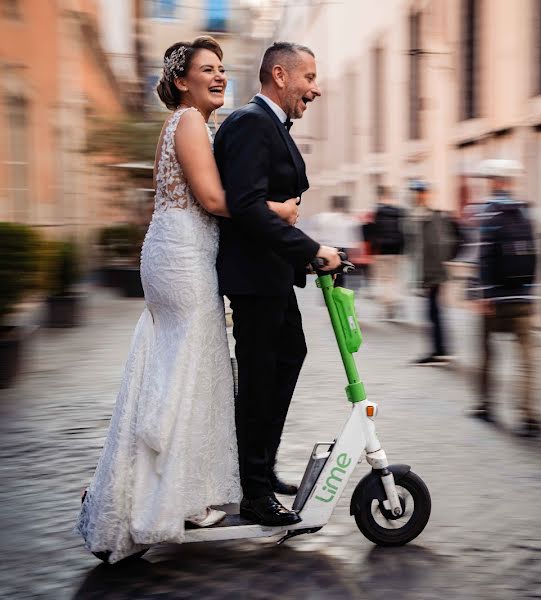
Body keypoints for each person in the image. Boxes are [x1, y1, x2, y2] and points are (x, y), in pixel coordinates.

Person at [75, 37, 303, 563]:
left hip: (177, 250)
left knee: (179, 368)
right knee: (190, 368)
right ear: (182, 81)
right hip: (181, 256)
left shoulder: (195, 124)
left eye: (222, 68)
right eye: (207, 69)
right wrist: (278, 212)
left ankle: (172, 489)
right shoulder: (189, 122)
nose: (220, 76)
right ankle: (159, 496)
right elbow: (215, 199)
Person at [214, 42, 341, 527]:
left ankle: (260, 471)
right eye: (309, 77)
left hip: (271, 275)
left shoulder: (267, 124)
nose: (316, 88)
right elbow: (245, 206)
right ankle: (254, 490)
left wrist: (306, 255)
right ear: (280, 75)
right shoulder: (251, 123)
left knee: (288, 358)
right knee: (261, 378)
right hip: (253, 278)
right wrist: (310, 250)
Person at [470, 159, 541, 437]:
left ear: (494, 182)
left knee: (488, 353)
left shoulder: (488, 214)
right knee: (526, 360)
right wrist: (532, 291)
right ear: (511, 183)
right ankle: (528, 415)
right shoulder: (526, 213)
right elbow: (536, 254)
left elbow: (484, 256)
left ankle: (486, 405)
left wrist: (483, 294)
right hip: (522, 297)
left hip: (496, 300)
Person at [409, 179, 461, 366]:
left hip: (434, 274)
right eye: (416, 192)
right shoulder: (422, 216)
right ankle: (440, 350)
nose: (417, 196)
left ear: (427, 193)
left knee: (433, 312)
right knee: (434, 312)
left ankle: (440, 350)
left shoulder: (433, 217)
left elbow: (438, 246)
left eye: (420, 192)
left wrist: (432, 276)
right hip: (430, 273)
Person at [370, 185, 407, 319]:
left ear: (380, 197)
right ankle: (395, 300)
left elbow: (373, 232)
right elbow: (404, 231)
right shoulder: (399, 211)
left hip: (382, 250)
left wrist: (374, 250)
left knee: (384, 278)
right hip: (397, 250)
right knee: (394, 277)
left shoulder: (377, 211)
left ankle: (387, 305)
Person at [313, 195, 361, 288]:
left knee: (326, 274)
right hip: (343, 251)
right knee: (341, 276)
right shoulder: (350, 219)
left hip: (326, 249)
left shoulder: (322, 217)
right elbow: (355, 238)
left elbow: (317, 235)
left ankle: (327, 296)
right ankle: (337, 297)